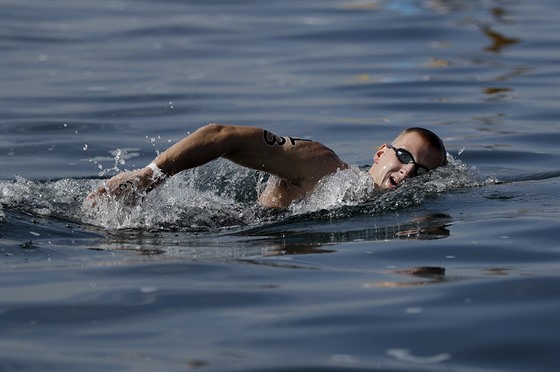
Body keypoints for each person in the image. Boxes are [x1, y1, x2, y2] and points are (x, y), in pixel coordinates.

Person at [85, 124, 447, 209]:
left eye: (422, 171)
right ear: (380, 152)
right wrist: (149, 177)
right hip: (210, 231)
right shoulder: (322, 165)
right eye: (404, 156)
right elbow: (221, 135)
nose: (409, 171)